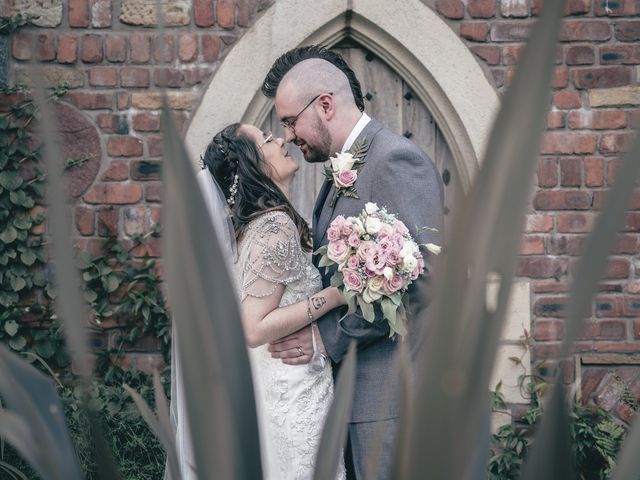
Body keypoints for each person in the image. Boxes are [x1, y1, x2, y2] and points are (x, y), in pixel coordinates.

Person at [261, 46, 444, 479]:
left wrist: (328, 341)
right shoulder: (344, 169)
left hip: (391, 397)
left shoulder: (395, 159)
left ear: (325, 104)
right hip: (357, 396)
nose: (286, 136)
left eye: (289, 121)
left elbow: (421, 280)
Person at [195, 122, 347, 480]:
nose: (280, 139)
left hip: (288, 386)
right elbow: (253, 327)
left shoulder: (258, 225)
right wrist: (335, 295)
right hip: (291, 394)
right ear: (254, 165)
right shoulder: (273, 227)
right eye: (266, 139)